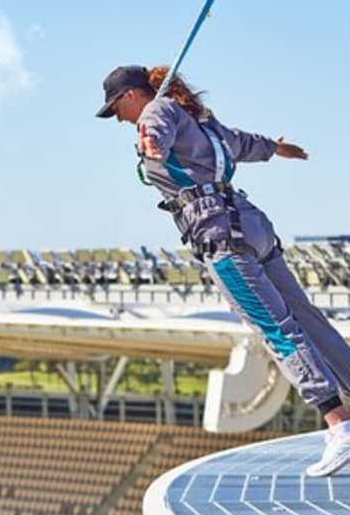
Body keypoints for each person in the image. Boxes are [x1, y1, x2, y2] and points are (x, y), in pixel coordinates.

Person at [95, 65, 350, 477]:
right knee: (308, 318)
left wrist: (151, 144)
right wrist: (278, 148)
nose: (118, 119)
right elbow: (246, 144)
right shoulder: (202, 122)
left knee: (278, 330)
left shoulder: (155, 113)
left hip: (221, 238)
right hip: (252, 225)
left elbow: (153, 133)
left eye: (116, 109)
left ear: (130, 96)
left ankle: (339, 427)